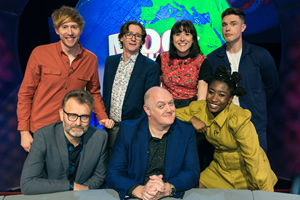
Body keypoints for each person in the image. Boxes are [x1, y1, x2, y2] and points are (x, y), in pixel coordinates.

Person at [17, 5, 114, 153]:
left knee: (69, 175)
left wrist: (103, 117)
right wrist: (24, 132)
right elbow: (25, 94)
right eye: (64, 27)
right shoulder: (40, 53)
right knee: (40, 176)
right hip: (40, 131)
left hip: (72, 132)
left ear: (80, 30)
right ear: (57, 30)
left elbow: (94, 92)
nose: (70, 32)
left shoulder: (90, 59)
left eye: (74, 27)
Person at [176, 65, 277, 191]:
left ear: (230, 99)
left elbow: (253, 157)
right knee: (194, 189)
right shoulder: (201, 109)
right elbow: (172, 113)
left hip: (245, 171)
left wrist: (265, 191)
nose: (214, 99)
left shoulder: (238, 119)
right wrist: (192, 119)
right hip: (220, 170)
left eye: (221, 95)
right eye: (211, 92)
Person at [106, 87, 199, 200]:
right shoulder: (128, 130)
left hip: (169, 195)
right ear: (148, 110)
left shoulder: (186, 131)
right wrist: (139, 190)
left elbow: (192, 172)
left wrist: (167, 188)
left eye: (171, 103)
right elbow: (114, 173)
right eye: (161, 106)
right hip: (135, 195)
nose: (169, 109)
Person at [207, 8, 279, 152]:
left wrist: (256, 104)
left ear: (243, 27)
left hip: (254, 125)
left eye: (233, 24)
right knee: (226, 172)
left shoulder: (260, 55)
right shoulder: (212, 59)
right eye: (224, 24)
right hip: (224, 126)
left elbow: (271, 85)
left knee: (257, 171)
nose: (227, 28)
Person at [20, 90, 108, 195]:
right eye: (72, 115)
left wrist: (82, 191)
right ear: (62, 115)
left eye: (84, 117)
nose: (78, 123)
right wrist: (71, 186)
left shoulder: (100, 137)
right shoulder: (43, 136)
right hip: (51, 197)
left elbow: (99, 176)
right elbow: (28, 184)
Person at [156, 19, 213, 171]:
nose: (182, 38)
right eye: (178, 34)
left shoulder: (202, 61)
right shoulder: (162, 58)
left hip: (192, 110)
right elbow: (155, 91)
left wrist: (195, 119)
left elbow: (201, 100)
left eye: (187, 34)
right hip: (167, 111)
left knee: (193, 157)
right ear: (172, 38)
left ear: (193, 38)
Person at [103, 20, 160, 156]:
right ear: (122, 37)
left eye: (138, 35)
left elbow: (150, 101)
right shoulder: (110, 61)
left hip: (135, 128)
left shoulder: (150, 67)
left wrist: (136, 127)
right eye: (129, 34)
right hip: (111, 126)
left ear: (142, 41)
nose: (133, 38)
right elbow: (106, 93)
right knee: (111, 167)